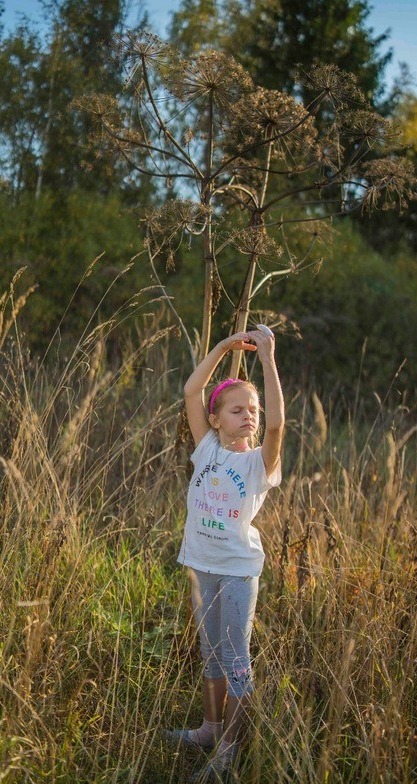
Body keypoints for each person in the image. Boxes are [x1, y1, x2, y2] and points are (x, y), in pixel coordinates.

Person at [166, 329, 284, 782]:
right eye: (237, 410)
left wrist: (267, 357)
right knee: (210, 654)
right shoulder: (207, 448)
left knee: (236, 660)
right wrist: (222, 350)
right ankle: (210, 729)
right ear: (215, 420)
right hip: (201, 567)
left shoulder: (259, 464)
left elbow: (276, 426)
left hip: (236, 572)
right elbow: (192, 390)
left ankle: (229, 749)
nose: (248, 417)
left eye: (251, 410)